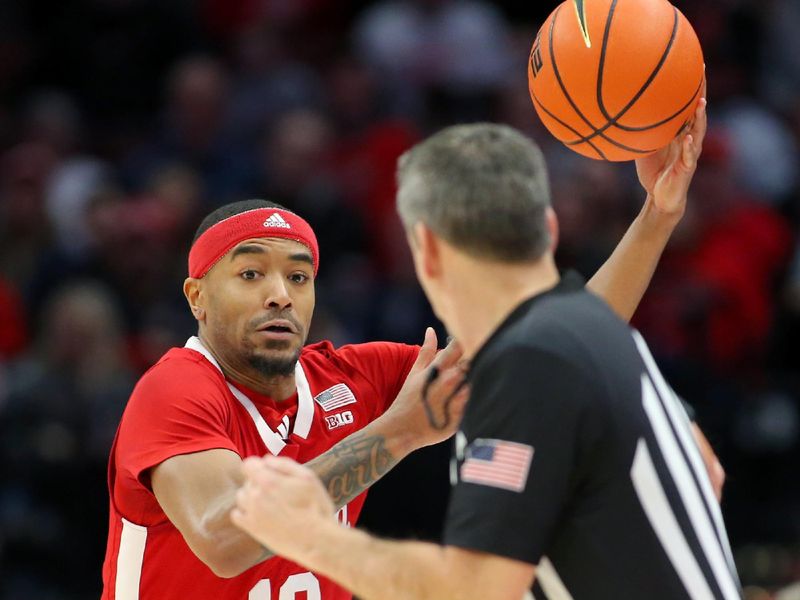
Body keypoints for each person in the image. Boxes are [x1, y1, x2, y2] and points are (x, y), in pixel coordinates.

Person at [102, 108, 722, 597]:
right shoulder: (176, 388)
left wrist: (657, 215)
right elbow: (224, 535)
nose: (279, 296)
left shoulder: (356, 377)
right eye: (249, 275)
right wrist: (396, 435)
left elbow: (550, 355)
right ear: (196, 298)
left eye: (297, 277)